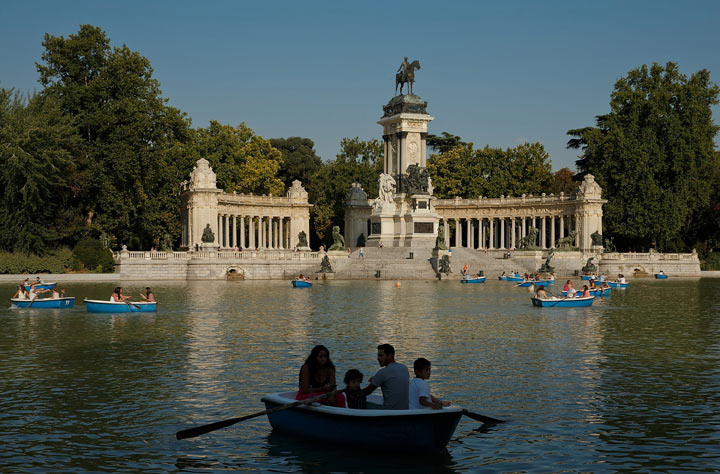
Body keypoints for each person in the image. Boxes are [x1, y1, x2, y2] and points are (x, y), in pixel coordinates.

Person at [362, 343, 409, 410]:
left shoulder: (382, 372)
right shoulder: (404, 368)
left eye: (381, 355)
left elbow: (366, 392)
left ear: (389, 355)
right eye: (378, 355)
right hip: (405, 410)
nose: (378, 358)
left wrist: (349, 391)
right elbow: (393, 381)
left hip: (388, 411)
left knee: (366, 404)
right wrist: (377, 380)